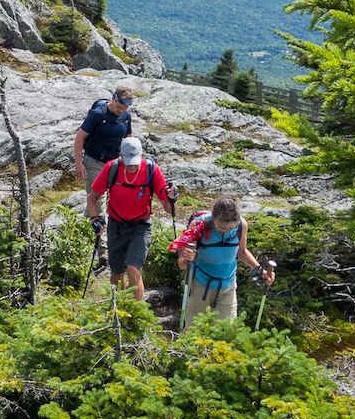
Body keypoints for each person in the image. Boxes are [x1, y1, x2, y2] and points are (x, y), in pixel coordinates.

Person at [86, 137, 177, 301]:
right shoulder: (112, 168)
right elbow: (92, 198)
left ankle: (138, 317)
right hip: (116, 226)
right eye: (128, 163)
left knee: (133, 269)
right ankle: (119, 313)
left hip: (140, 227)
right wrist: (94, 219)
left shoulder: (151, 170)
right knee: (116, 272)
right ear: (120, 155)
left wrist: (172, 198)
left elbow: (169, 209)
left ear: (141, 155)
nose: (132, 167)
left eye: (134, 162)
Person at [177, 195, 275, 330]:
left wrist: (261, 271)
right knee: (193, 331)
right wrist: (186, 258)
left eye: (230, 228)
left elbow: (242, 252)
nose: (225, 231)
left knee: (226, 332)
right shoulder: (198, 225)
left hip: (227, 287)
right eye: (221, 227)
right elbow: (182, 265)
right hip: (200, 285)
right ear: (213, 218)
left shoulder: (241, 225)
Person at [74, 87, 134, 222]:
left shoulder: (126, 116)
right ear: (113, 98)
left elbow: (129, 138)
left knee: (110, 199)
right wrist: (79, 163)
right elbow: (80, 136)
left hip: (114, 163)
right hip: (94, 161)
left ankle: (85, 232)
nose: (120, 111)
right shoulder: (98, 114)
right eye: (119, 107)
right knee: (98, 198)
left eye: (124, 109)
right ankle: (101, 241)